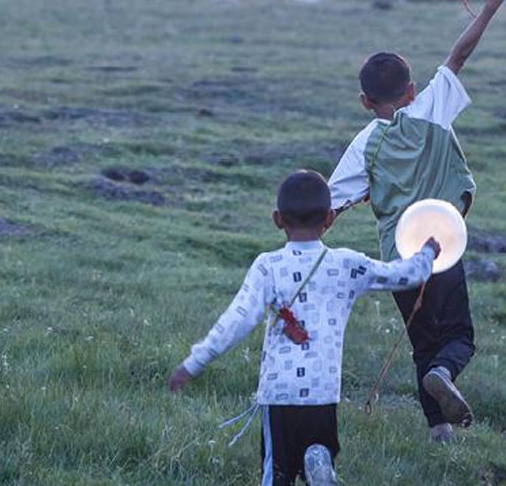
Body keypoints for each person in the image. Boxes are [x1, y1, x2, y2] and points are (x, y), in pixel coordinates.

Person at [167, 170, 440, 486]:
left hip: (279, 392)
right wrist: (427, 254)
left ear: (277, 219)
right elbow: (400, 275)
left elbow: (236, 320)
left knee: (277, 473)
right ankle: (318, 460)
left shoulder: (268, 266)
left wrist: (193, 363)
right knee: (317, 451)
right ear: (329, 218)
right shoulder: (346, 264)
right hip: (322, 391)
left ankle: (304, 466)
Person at [328, 0, 506, 442]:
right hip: (441, 247)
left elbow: (327, 208)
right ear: (410, 90)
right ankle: (445, 373)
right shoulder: (429, 110)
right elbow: (458, 55)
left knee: (420, 342)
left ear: (365, 103)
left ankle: (438, 432)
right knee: (457, 335)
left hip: (397, 258)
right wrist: (489, 7)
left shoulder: (363, 144)